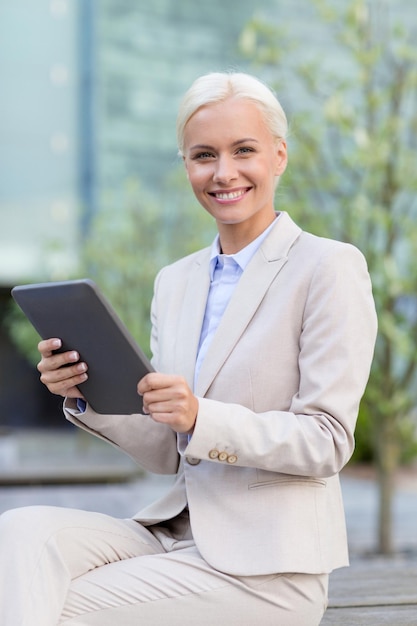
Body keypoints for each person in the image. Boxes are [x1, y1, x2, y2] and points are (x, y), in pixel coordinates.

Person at [0, 71, 377, 626]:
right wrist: (87, 395)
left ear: (278, 156)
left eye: (243, 150)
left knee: (58, 605)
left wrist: (203, 416)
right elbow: (166, 452)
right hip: (174, 534)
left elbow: (327, 440)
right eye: (204, 155)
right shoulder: (175, 282)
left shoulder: (327, 267)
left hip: (268, 570)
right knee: (19, 532)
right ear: (186, 166)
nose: (223, 173)